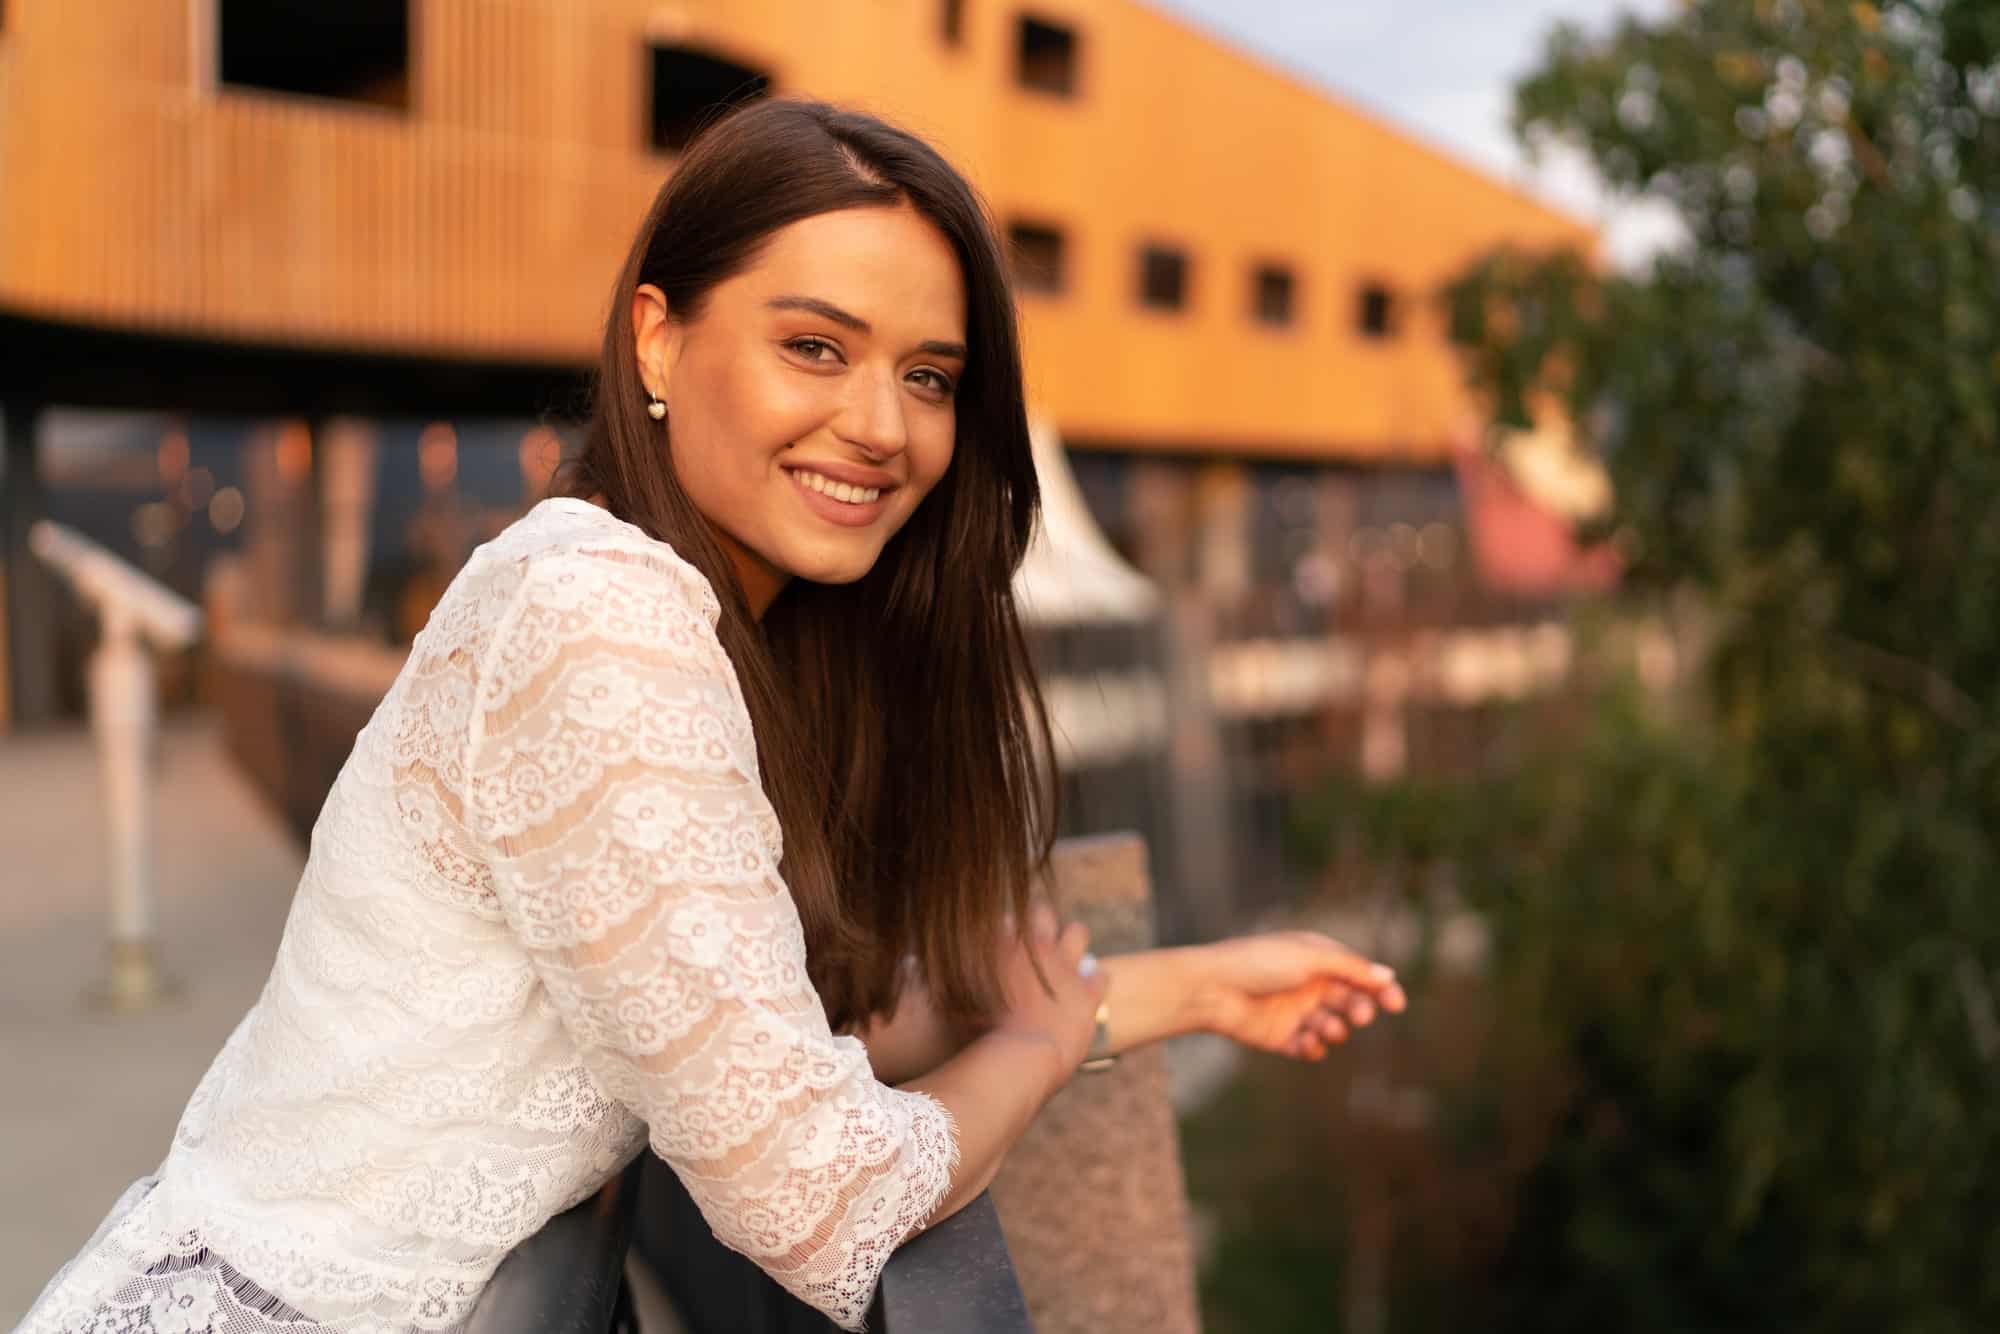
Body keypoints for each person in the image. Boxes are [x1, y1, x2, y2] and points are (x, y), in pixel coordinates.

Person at [16, 98, 1405, 1334]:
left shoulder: (698, 621)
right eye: (817, 346)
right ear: (657, 336)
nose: (882, 424)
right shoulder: (598, 617)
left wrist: (1190, 989)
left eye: (928, 375)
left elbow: (772, 1047)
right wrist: (1036, 1052)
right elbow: (820, 1196)